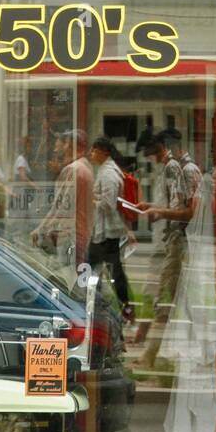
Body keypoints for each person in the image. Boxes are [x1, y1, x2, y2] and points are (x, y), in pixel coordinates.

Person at [136, 130, 201, 369]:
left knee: (167, 298)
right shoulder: (182, 168)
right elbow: (177, 206)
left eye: (156, 154)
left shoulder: (186, 170)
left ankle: (149, 357)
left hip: (180, 240)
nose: (161, 160)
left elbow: (189, 213)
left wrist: (159, 212)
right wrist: (154, 207)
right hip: (176, 239)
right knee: (180, 299)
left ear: (166, 147)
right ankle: (156, 355)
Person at [31, 129, 94, 278]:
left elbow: (62, 207)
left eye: (63, 144)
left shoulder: (73, 170)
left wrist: (41, 229)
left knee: (66, 280)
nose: (59, 149)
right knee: (77, 277)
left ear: (71, 145)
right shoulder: (86, 167)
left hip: (70, 233)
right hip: (81, 232)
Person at [86, 135, 133, 314]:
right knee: (111, 270)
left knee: (94, 269)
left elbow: (108, 205)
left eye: (94, 151)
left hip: (106, 232)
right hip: (105, 231)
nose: (91, 154)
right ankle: (122, 306)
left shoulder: (108, 174)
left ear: (104, 152)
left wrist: (91, 200)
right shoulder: (107, 171)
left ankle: (106, 305)